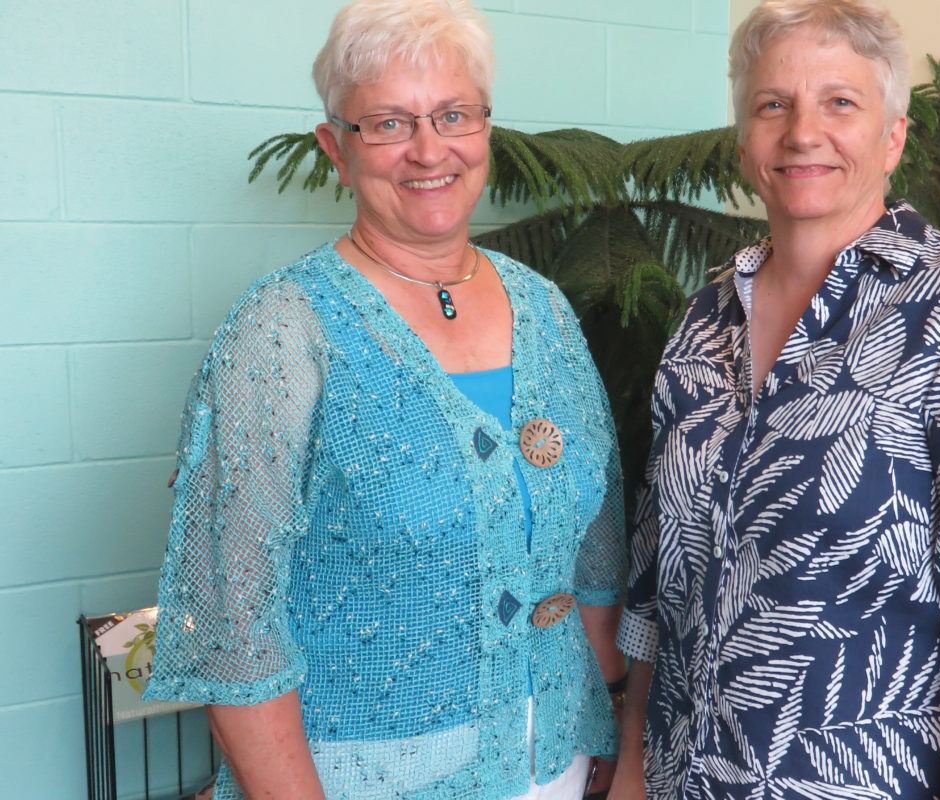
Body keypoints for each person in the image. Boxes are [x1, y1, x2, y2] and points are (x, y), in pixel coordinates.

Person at [144, 1, 627, 798]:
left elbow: (597, 549)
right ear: (336, 148)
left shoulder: (543, 310)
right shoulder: (283, 332)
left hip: (557, 768)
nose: (429, 149)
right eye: (389, 123)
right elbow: (235, 630)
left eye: (453, 115)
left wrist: (604, 714)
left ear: (486, 132)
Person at [610, 1, 940, 798]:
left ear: (892, 135)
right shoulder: (701, 320)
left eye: (840, 102)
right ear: (745, 141)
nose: (801, 132)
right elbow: (662, 579)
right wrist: (628, 770)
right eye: (773, 105)